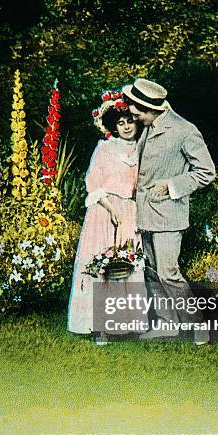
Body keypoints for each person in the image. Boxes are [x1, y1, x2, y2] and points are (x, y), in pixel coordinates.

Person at [122, 78, 216, 344]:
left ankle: (197, 325)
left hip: (168, 215)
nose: (132, 113)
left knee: (168, 273)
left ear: (151, 108)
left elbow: (207, 172)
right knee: (151, 271)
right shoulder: (148, 127)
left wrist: (171, 185)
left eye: (136, 109)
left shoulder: (184, 130)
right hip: (144, 214)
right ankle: (167, 323)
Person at [67, 92, 146, 344]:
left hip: (129, 211)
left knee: (126, 264)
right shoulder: (104, 148)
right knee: (101, 264)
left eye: (129, 121)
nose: (126, 126)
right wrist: (111, 209)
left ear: (136, 123)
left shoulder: (142, 150)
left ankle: (126, 323)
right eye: (120, 123)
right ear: (114, 126)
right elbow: (93, 183)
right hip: (104, 211)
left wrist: (130, 210)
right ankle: (99, 327)